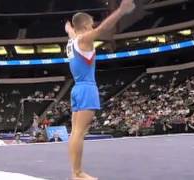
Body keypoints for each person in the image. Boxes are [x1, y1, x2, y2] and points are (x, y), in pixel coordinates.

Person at [65, 0, 136, 179]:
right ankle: (77, 173)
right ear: (86, 25)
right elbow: (103, 29)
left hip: (77, 87)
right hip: (87, 88)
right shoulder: (83, 39)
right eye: (91, 25)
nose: (92, 28)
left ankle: (75, 172)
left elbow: (72, 31)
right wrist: (121, 11)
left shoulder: (72, 40)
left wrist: (69, 28)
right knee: (79, 133)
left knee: (76, 132)